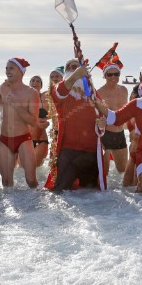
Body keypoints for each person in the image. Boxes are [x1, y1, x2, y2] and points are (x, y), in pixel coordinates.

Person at [49, 59, 107, 191]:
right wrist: (77, 74)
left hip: (91, 152)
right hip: (68, 151)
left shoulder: (93, 92)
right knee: (61, 192)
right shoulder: (61, 91)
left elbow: (102, 116)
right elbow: (59, 94)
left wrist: (102, 124)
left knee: (91, 194)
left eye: (76, 67)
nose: (73, 69)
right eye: (70, 68)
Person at [0, 57, 40, 188]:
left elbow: (32, 121)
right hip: (4, 140)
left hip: (23, 139)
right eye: (6, 68)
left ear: (21, 71)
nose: (7, 71)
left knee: (31, 181)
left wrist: (16, 104)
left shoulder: (31, 93)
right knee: (6, 183)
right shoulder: (3, 88)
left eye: (11, 68)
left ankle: (37, 207)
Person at [95, 57, 129, 174]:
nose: (113, 77)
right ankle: (103, 193)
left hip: (120, 134)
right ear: (104, 76)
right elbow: (94, 114)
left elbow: (127, 112)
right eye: (110, 75)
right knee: (104, 174)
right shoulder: (99, 93)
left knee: (122, 171)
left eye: (116, 74)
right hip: (105, 134)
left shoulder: (124, 90)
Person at [28, 75, 50, 167]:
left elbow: (57, 114)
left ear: (41, 85)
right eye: (32, 80)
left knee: (34, 168)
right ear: (29, 84)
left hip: (41, 140)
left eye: (38, 81)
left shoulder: (45, 98)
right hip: (25, 141)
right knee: (21, 171)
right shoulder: (22, 99)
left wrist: (47, 122)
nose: (35, 83)